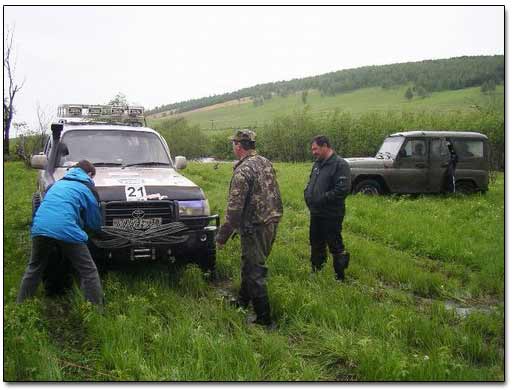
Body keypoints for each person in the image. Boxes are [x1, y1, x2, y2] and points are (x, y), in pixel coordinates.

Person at [216, 129, 283, 328]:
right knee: (249, 264)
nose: (233, 146)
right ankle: (242, 301)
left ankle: (264, 320)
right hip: (270, 222)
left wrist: (221, 237)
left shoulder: (243, 171)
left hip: (256, 227)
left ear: (238, 146)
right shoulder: (265, 162)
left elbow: (234, 211)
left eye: (233, 143)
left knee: (255, 271)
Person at [17, 160, 104, 305]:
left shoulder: (56, 184)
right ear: (89, 174)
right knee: (88, 271)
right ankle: (96, 308)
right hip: (66, 230)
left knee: (34, 267)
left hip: (40, 228)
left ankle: (21, 304)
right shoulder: (87, 187)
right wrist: (97, 232)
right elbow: (93, 220)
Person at [304, 135, 351, 281]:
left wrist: (322, 199)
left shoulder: (340, 164)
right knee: (316, 243)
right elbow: (311, 182)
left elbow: (342, 190)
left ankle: (340, 277)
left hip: (331, 214)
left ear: (325, 146)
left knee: (335, 244)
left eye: (315, 149)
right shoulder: (318, 163)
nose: (313, 152)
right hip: (316, 212)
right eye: (312, 149)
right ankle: (316, 272)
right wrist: (307, 193)